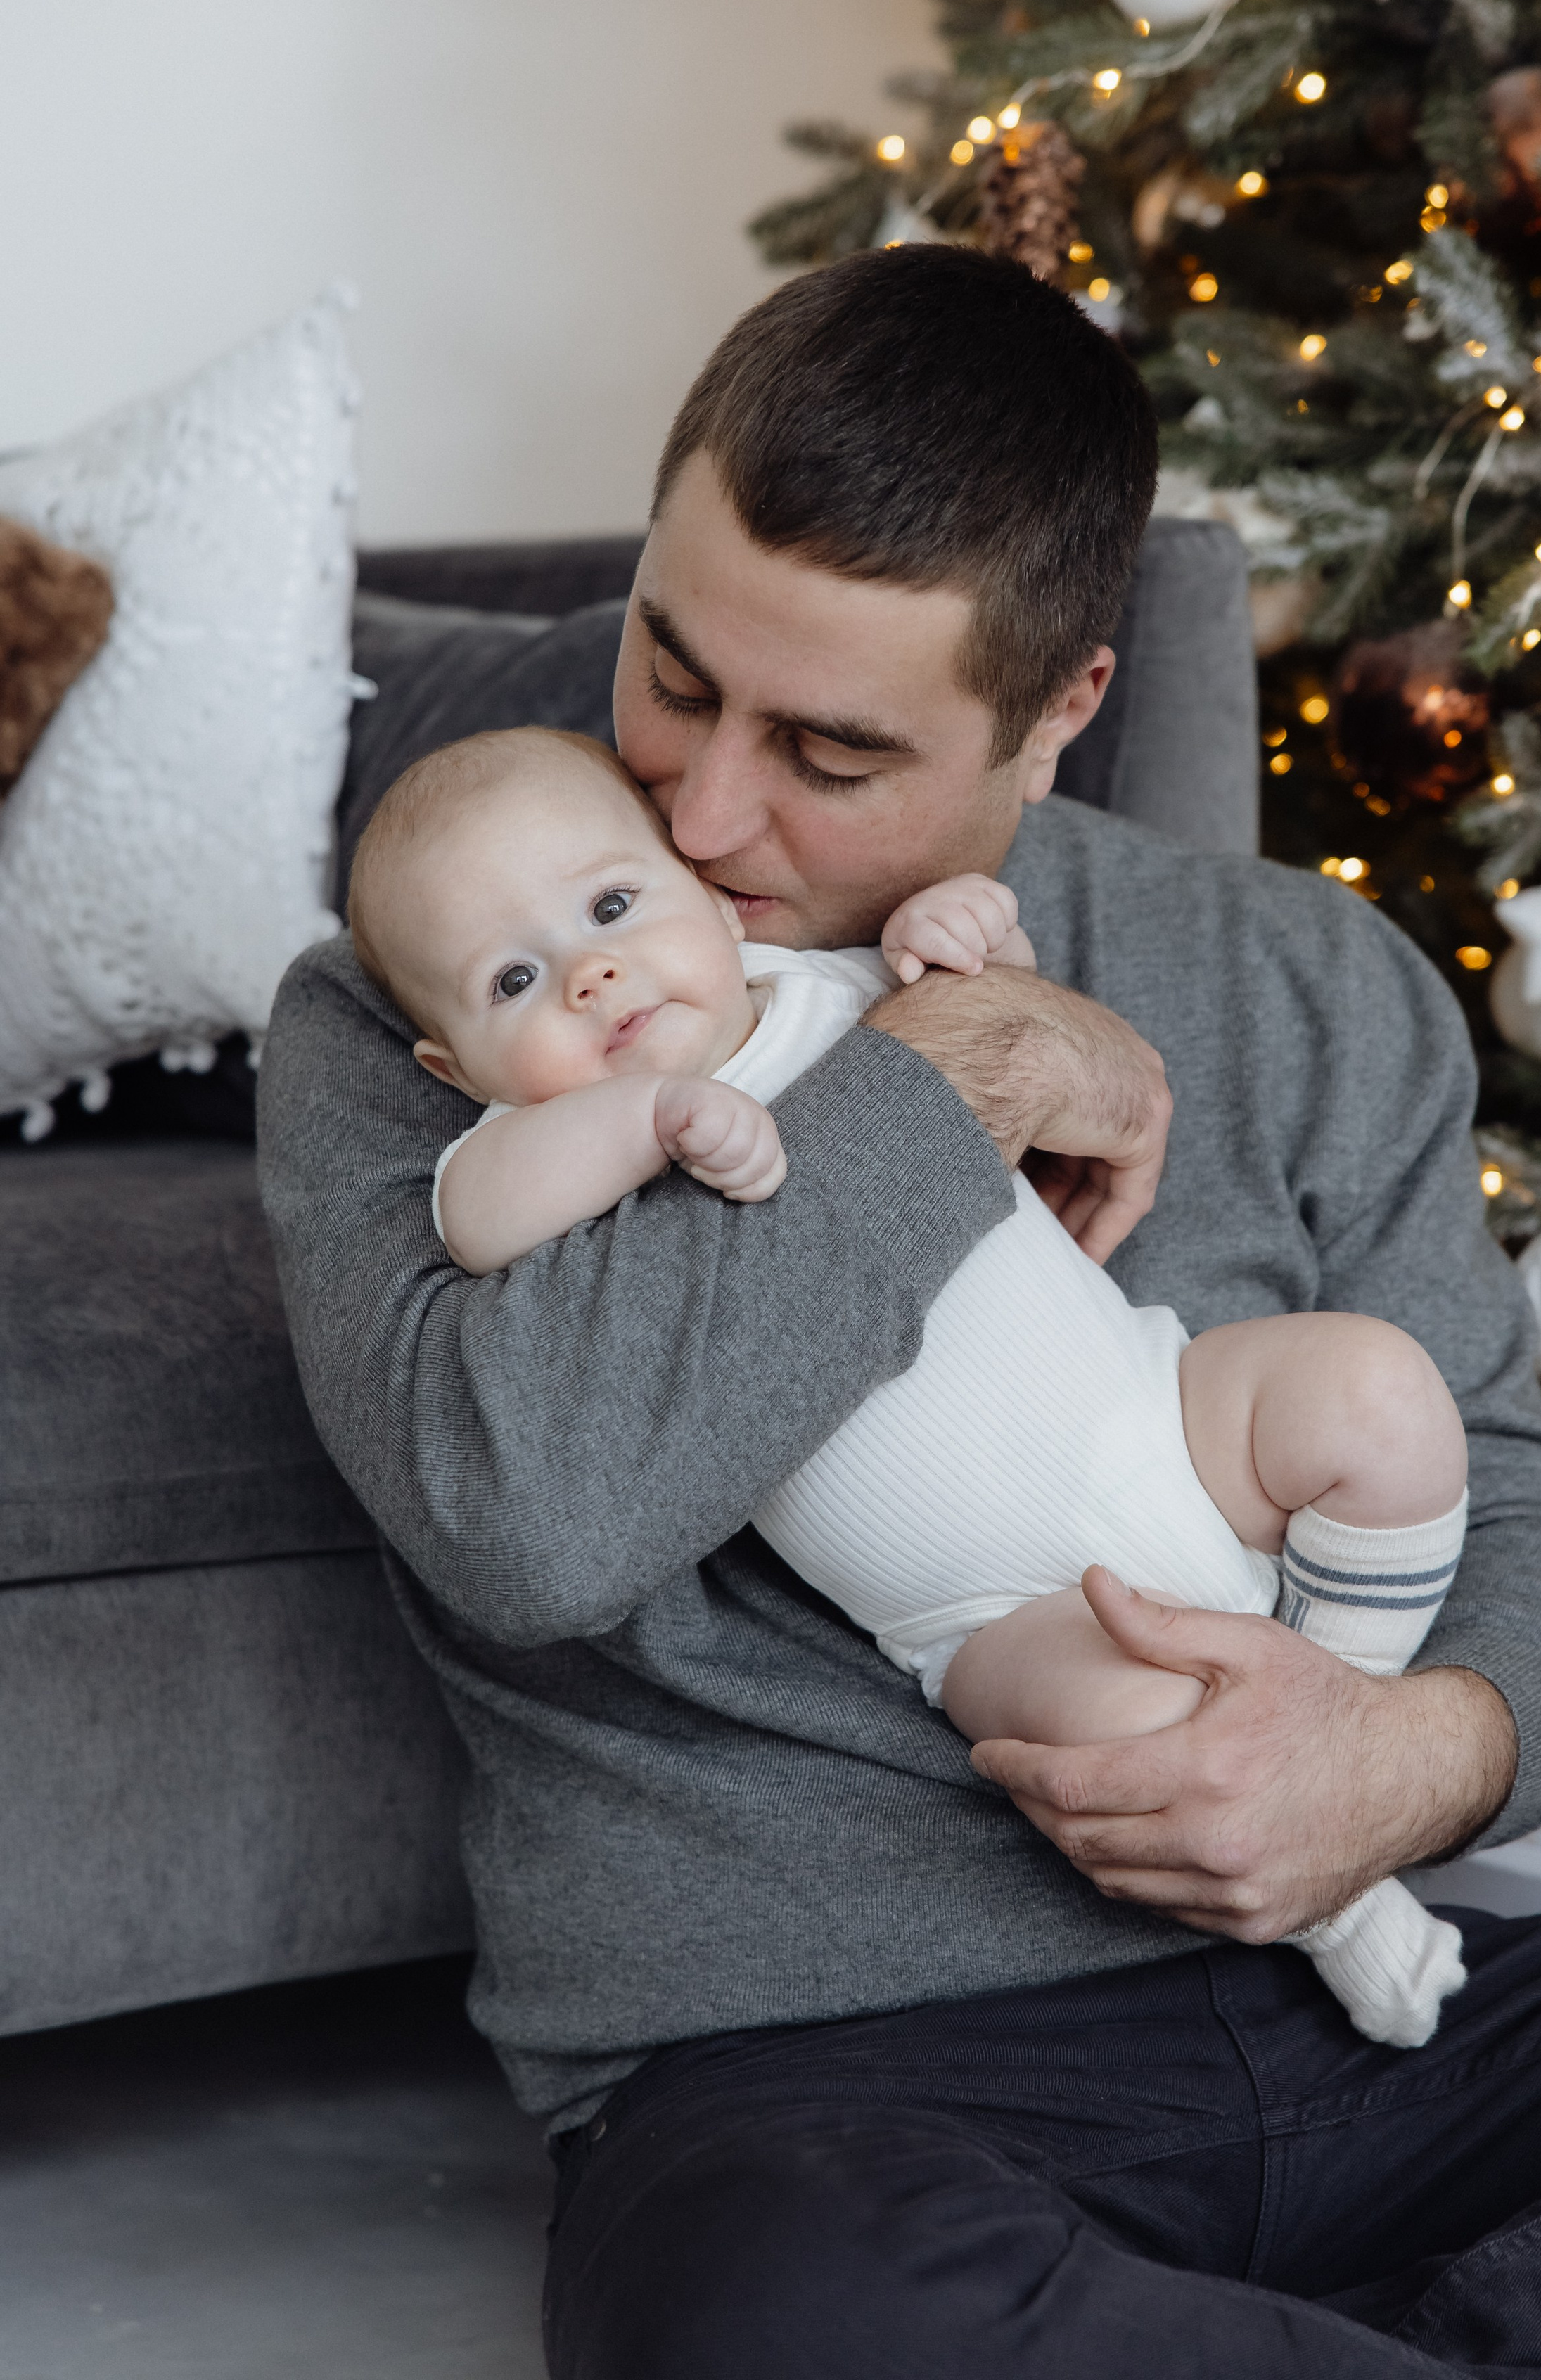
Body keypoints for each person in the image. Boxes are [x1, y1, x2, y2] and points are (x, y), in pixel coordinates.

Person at [258, 247, 1541, 2377]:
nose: (702, 819)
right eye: (674, 673)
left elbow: (1535, 1550)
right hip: (824, 2094)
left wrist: (1398, 1757)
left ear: (1063, 707)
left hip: (1384, 2020)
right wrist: (945, 1085)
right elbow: (528, 1519)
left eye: (829, 748)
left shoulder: (1304, 984)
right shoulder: (428, 1017)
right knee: (775, 2316)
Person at [343, 720, 1470, 2045]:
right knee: (1147, 1747)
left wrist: (973, 939)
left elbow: (1016, 1029)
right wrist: (639, 1123)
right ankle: (1348, 1909)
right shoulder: (516, 1148)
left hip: (1169, 1419)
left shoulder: (826, 983)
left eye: (611, 907)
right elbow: (478, 1221)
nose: (590, 977)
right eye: (514, 980)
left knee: (1375, 1394)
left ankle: (1343, 1694)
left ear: (706, 893)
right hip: (1002, 1612)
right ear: (452, 1066)